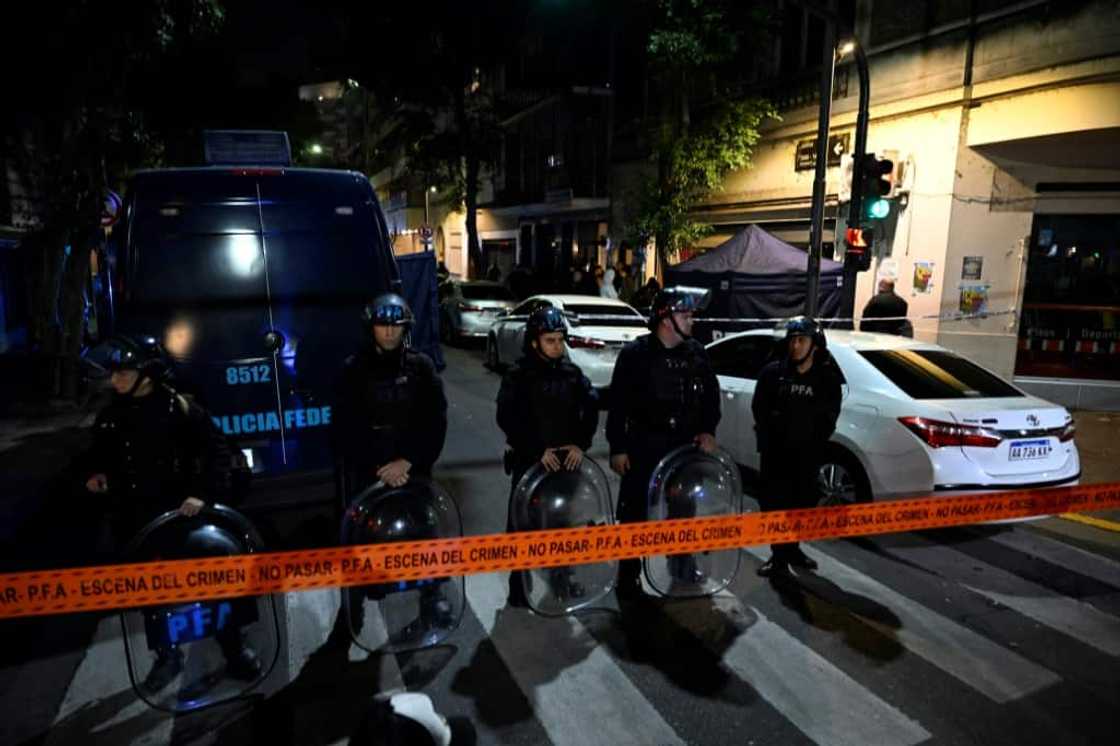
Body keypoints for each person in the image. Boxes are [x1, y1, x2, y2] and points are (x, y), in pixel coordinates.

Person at [82, 334, 261, 690]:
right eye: (114, 373)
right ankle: (167, 655)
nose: (115, 379)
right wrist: (95, 476)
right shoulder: (110, 417)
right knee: (153, 595)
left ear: (146, 375)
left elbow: (218, 453)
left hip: (183, 518)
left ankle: (234, 648)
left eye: (123, 373)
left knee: (213, 580)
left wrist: (200, 495)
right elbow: (95, 459)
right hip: (135, 522)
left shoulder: (179, 409)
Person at [333, 293, 451, 629]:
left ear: (405, 328)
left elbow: (435, 421)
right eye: (382, 325)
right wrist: (379, 467)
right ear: (371, 327)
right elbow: (344, 428)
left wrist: (408, 461)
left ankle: (432, 596)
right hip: (368, 472)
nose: (388, 332)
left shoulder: (421, 367)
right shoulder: (353, 370)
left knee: (424, 534)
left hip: (412, 471)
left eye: (395, 326)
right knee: (359, 540)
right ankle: (353, 603)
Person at [606, 287, 721, 600]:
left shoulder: (697, 354)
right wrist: (618, 447)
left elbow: (711, 398)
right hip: (644, 447)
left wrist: (709, 431)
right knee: (634, 516)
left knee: (683, 511)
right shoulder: (635, 355)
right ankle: (628, 575)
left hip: (684, 450)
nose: (692, 320)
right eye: (686, 315)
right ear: (666, 319)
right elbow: (618, 406)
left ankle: (682, 565)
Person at [497, 306, 599, 607]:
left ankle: (562, 578)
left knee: (563, 525)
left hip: (565, 466)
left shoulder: (572, 375)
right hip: (531, 463)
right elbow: (507, 417)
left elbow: (590, 410)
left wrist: (580, 444)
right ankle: (519, 587)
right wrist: (535, 450)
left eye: (559, 340)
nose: (556, 346)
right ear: (534, 342)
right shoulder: (518, 376)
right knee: (522, 527)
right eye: (550, 340)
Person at [752, 316, 844, 577]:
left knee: (800, 505)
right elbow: (760, 409)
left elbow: (829, 416)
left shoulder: (826, 379)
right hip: (776, 456)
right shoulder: (773, 373)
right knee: (774, 506)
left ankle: (792, 549)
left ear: (815, 345)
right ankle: (778, 556)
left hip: (806, 456)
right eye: (792, 340)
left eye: (802, 340)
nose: (795, 346)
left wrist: (812, 441)